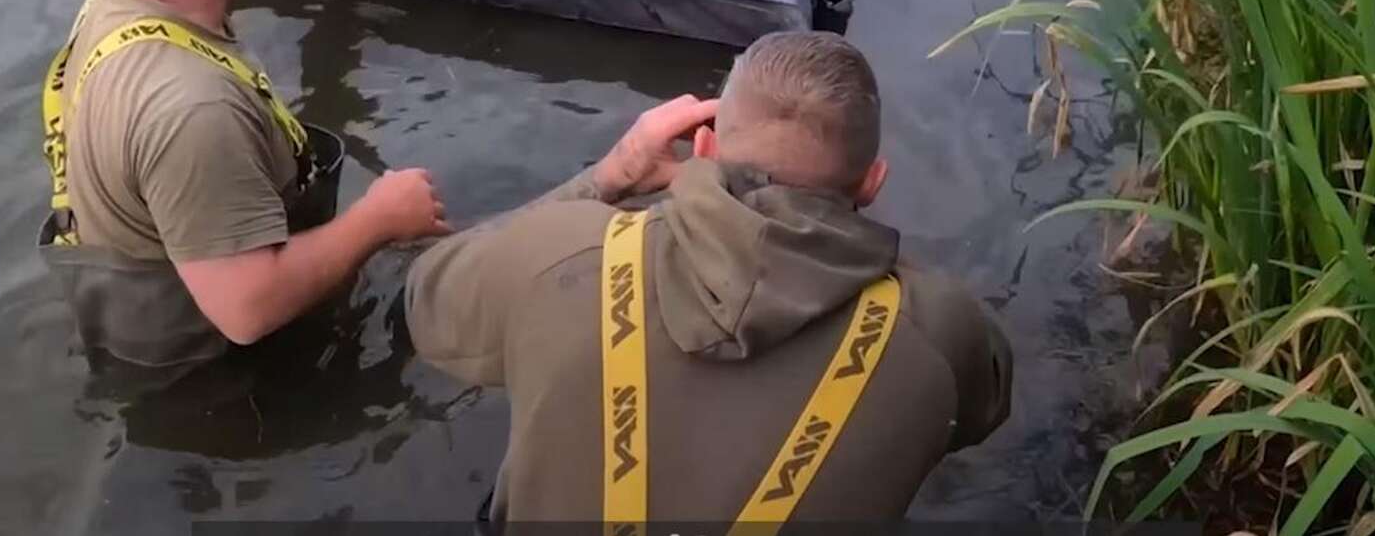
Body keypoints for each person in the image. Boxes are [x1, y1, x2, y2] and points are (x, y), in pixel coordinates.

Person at [405, 32, 1012, 524]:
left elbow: (428, 294)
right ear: (873, 182)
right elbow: (983, 409)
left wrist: (608, 177)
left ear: (703, 147)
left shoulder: (559, 254)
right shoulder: (940, 330)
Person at [38, 0, 450, 369]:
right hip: (212, 367)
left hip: (142, 305)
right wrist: (378, 219)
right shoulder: (193, 112)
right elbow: (247, 310)